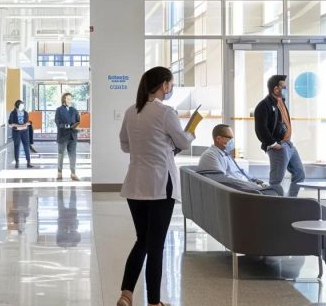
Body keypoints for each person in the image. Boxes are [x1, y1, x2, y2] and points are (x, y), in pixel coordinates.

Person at [117, 66, 194, 306]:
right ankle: (154, 302)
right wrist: (190, 132)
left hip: (135, 185)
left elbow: (125, 145)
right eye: (170, 84)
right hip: (161, 186)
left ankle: (126, 294)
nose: (170, 88)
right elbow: (183, 141)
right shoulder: (166, 112)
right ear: (164, 85)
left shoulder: (132, 111)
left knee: (142, 240)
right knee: (156, 246)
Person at [253, 75, 306, 197]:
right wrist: (272, 144)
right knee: (276, 181)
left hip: (288, 144)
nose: (286, 89)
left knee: (299, 174)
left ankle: (291, 202)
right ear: (276, 89)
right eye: (284, 87)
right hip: (278, 146)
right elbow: (260, 129)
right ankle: (277, 206)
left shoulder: (281, 101)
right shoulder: (264, 105)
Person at [197, 124, 276, 195]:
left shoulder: (225, 154)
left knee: (276, 190)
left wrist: (257, 181)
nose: (232, 141)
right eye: (230, 138)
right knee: (274, 193)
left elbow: (239, 171)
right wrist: (254, 186)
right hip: (241, 192)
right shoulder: (210, 155)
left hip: (249, 187)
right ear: (218, 139)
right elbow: (224, 181)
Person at [55, 92, 82, 181]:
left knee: (73, 155)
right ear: (64, 99)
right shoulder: (59, 110)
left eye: (71, 99)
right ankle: (59, 172)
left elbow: (78, 121)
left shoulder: (74, 110)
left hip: (73, 135)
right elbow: (58, 122)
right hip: (63, 135)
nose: (70, 101)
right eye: (68, 99)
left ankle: (73, 173)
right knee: (61, 154)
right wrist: (66, 126)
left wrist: (76, 126)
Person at [8, 100, 34, 169]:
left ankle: (28, 162)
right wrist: (16, 125)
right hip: (16, 131)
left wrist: (28, 123)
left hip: (25, 131)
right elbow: (10, 122)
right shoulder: (13, 113)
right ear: (17, 105)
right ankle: (17, 162)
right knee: (17, 146)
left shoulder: (25, 113)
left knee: (26, 146)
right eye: (21, 105)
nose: (22, 106)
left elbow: (26, 121)